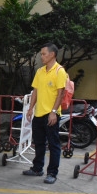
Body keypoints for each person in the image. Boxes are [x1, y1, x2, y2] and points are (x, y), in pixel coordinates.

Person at [24, 43, 66, 184]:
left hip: (51, 114)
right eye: (41, 54)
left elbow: (61, 94)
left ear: (52, 54)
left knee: (54, 145)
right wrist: (31, 108)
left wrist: (53, 112)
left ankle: (52, 173)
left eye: (43, 54)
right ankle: (37, 168)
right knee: (39, 143)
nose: (41, 56)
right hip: (39, 114)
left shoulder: (59, 71)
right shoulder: (40, 71)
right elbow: (35, 91)